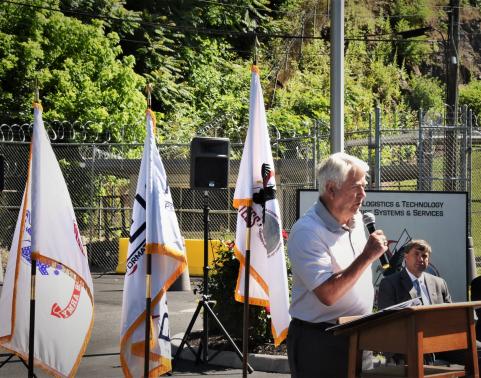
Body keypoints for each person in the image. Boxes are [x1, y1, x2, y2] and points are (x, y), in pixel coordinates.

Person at [287, 152, 388, 378]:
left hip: (361, 334)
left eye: (364, 186)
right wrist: (366, 257)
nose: (363, 194)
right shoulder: (307, 232)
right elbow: (328, 293)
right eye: (356, 187)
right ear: (331, 189)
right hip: (321, 341)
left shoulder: (357, 221)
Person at [378, 239, 451, 310]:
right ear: (405, 257)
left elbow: (450, 313)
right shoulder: (389, 283)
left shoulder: (440, 283)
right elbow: (386, 318)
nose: (420, 259)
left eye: (424, 256)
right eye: (416, 254)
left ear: (428, 260)